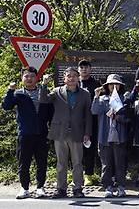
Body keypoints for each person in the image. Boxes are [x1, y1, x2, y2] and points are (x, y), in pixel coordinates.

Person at [39, 67, 92, 199]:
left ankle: (77, 189)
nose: (72, 78)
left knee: (77, 163)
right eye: (69, 76)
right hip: (60, 132)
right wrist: (44, 84)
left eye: (75, 75)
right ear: (64, 78)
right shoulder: (57, 91)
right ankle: (61, 189)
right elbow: (43, 99)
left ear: (78, 77)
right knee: (61, 163)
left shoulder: (85, 93)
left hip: (78, 132)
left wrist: (87, 133)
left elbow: (88, 115)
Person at [3, 67, 53, 199]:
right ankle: (24, 188)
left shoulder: (44, 92)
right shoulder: (18, 93)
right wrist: (10, 90)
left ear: (37, 78)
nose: (29, 79)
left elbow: (50, 112)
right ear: (22, 78)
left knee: (41, 162)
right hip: (25, 134)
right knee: (23, 163)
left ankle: (40, 188)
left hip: (42, 133)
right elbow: (6, 106)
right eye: (26, 76)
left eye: (32, 76)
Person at [91, 74, 130, 198]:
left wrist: (117, 117)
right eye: (111, 84)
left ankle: (121, 187)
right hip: (104, 136)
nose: (114, 86)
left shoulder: (124, 99)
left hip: (120, 136)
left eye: (116, 84)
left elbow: (128, 119)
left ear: (120, 86)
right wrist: (96, 97)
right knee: (106, 164)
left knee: (120, 163)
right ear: (107, 86)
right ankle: (108, 186)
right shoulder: (102, 99)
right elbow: (94, 111)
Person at [78, 60, 101, 186]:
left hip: (92, 120)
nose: (83, 69)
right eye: (81, 67)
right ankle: (78, 174)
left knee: (90, 148)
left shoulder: (96, 84)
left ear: (90, 69)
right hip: (76, 121)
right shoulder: (75, 83)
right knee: (76, 149)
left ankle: (89, 175)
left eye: (86, 67)